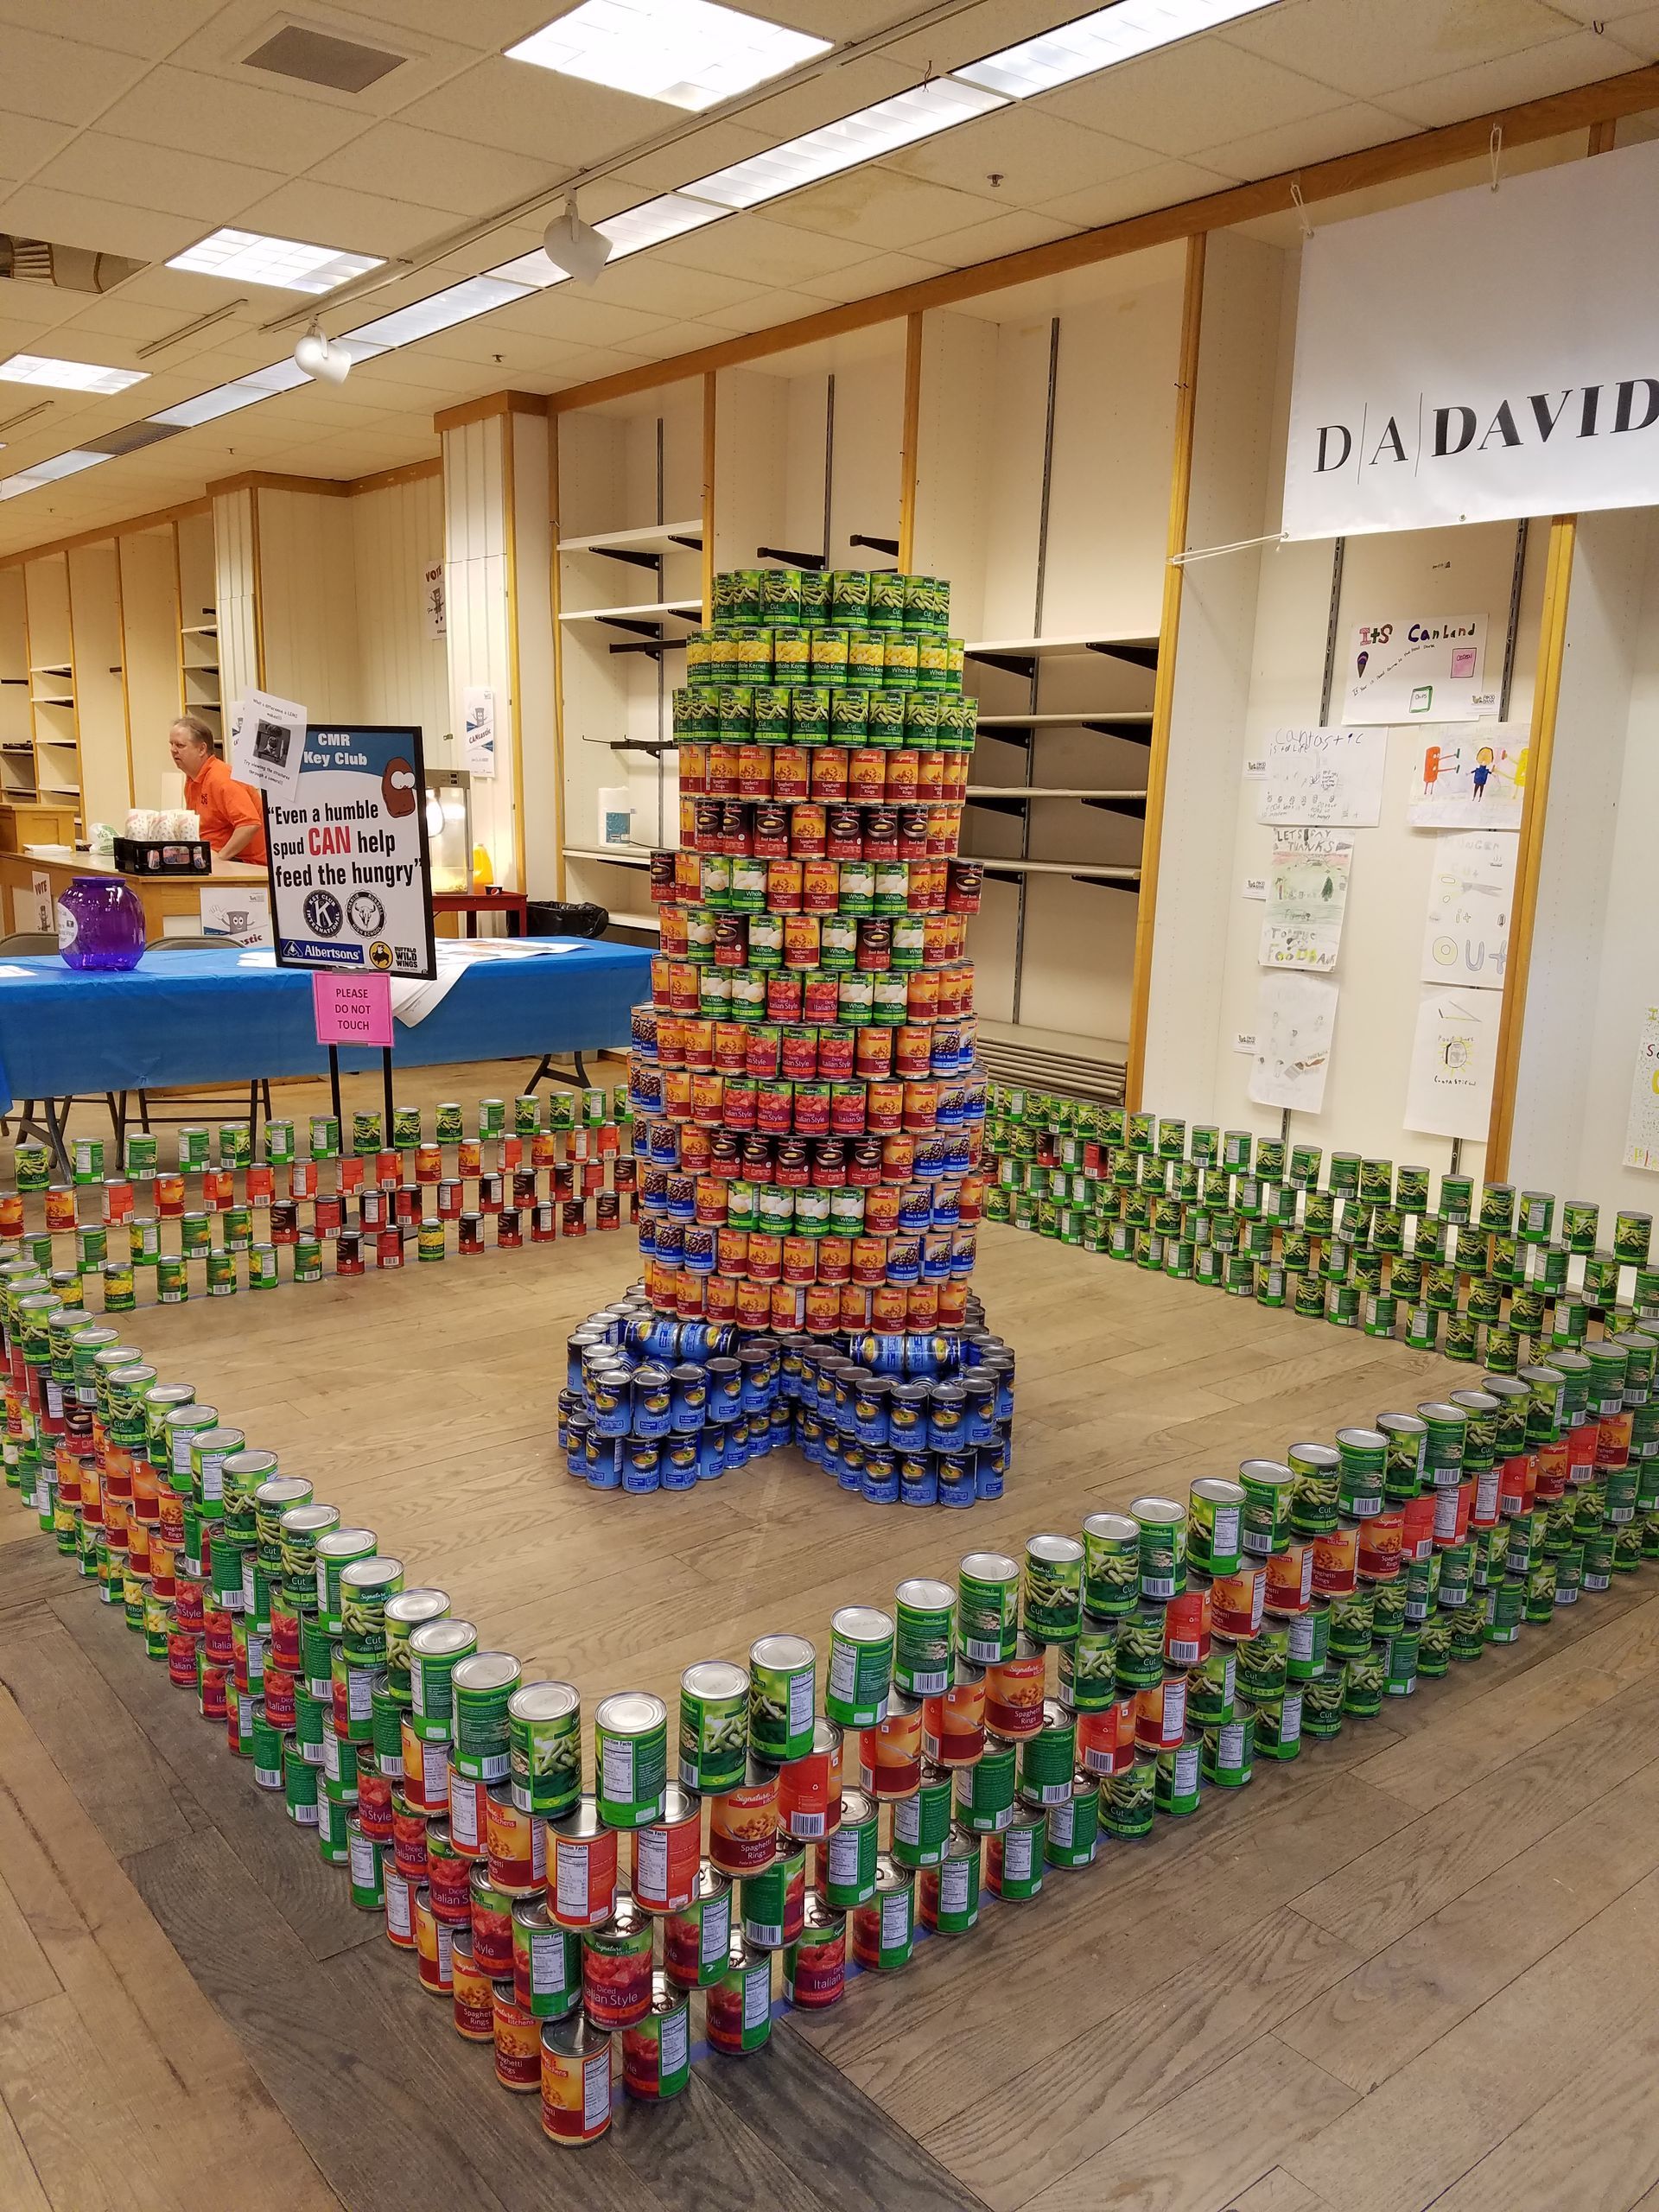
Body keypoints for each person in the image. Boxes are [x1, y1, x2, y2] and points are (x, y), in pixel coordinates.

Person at [167, 715, 267, 865]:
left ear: (202, 749)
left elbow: (250, 824)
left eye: (180, 745)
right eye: (171, 744)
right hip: (215, 859)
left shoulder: (222, 778)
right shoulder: (192, 779)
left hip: (244, 864)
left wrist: (220, 858)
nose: (173, 750)